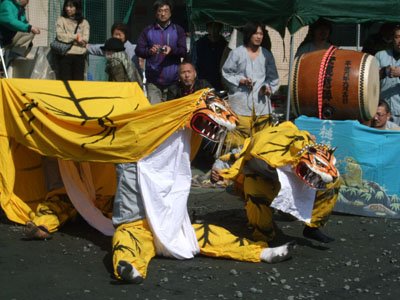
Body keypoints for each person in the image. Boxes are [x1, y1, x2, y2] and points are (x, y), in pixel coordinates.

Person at [222, 21, 279, 150]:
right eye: (255, 33)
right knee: (238, 140)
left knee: (262, 140)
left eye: (261, 34)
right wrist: (240, 81)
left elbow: (273, 78)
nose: (259, 36)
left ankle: (257, 166)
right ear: (248, 35)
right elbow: (226, 73)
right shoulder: (237, 53)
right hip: (240, 104)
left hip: (262, 106)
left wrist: (267, 88)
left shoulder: (267, 54)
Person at [135, 0, 187, 104]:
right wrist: (150, 51)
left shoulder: (178, 30)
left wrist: (172, 50)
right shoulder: (148, 30)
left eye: (166, 10)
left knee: (171, 114)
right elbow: (138, 50)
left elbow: (183, 51)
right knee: (155, 113)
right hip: (153, 82)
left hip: (174, 82)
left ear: (170, 13)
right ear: (156, 13)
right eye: (160, 11)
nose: (163, 13)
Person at [54, 0, 90, 80]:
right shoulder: (61, 20)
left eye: (71, 6)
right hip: (65, 55)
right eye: (66, 6)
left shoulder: (84, 22)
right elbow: (60, 36)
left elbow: (85, 39)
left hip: (80, 56)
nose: (68, 9)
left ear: (77, 8)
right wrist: (76, 37)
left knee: (78, 83)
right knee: (65, 82)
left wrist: (68, 37)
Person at [0, 0, 40, 68]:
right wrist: (30, 28)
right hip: (3, 38)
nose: (27, 2)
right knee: (29, 30)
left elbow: (24, 23)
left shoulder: (19, 8)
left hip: (10, 38)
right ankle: (13, 54)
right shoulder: (7, 3)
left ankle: (15, 54)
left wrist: (31, 28)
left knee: (30, 32)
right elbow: (10, 21)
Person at [191, 21, 227, 91]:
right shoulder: (199, 44)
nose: (213, 30)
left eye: (216, 27)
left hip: (220, 83)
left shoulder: (225, 45)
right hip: (202, 83)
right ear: (207, 28)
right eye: (211, 27)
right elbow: (193, 63)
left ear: (220, 28)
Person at [375, 26, 400, 125]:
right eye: (397, 37)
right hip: (382, 111)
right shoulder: (380, 55)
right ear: (392, 39)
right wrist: (384, 72)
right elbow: (369, 78)